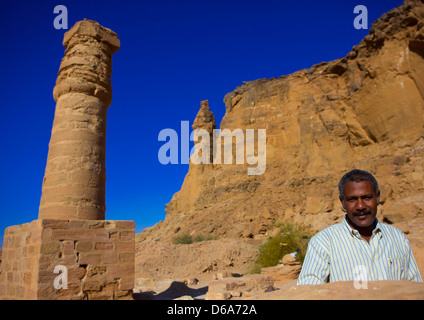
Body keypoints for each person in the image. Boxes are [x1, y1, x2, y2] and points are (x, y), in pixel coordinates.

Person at [297, 169, 422, 285]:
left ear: (377, 197)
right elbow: (308, 291)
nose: (361, 206)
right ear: (342, 202)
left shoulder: (397, 238)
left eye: (366, 198)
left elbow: (414, 287)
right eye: (352, 199)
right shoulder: (324, 243)